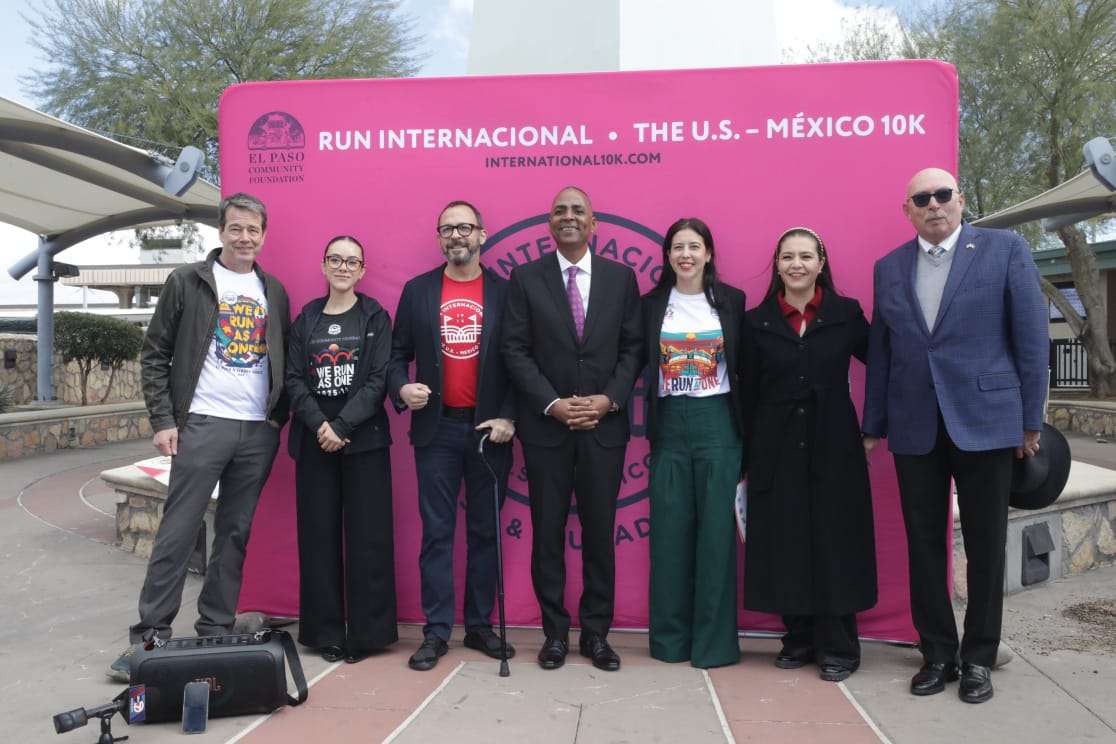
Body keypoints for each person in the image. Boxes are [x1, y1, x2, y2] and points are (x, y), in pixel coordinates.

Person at [862, 168, 1047, 703]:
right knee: (923, 545)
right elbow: (881, 352)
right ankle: (938, 654)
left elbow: (1031, 338)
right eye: (921, 198)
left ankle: (979, 658)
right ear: (908, 210)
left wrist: (1030, 421)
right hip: (915, 424)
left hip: (987, 421)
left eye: (943, 195)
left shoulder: (1004, 250)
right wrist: (873, 424)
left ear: (960, 200)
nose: (933, 205)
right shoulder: (889, 267)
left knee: (986, 545)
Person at [111, 192, 290, 680]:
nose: (245, 237)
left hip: (257, 430)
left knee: (234, 533)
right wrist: (164, 420)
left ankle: (216, 627)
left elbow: (283, 356)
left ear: (263, 234)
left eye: (253, 229)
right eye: (236, 228)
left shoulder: (273, 290)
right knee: (179, 530)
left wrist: (276, 418)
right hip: (201, 423)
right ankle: (150, 637)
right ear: (221, 231)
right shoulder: (187, 281)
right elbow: (155, 352)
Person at [501, 186, 643, 671]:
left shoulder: (621, 279)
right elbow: (515, 349)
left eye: (577, 210)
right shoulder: (526, 278)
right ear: (549, 223)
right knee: (548, 533)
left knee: (601, 533)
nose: (568, 217)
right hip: (548, 430)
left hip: (605, 428)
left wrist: (609, 399)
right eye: (559, 210)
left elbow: (633, 348)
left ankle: (597, 635)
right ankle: (555, 635)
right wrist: (552, 404)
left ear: (593, 222)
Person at [742, 226, 877, 682]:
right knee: (786, 539)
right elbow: (747, 391)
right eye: (787, 257)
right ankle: (798, 638)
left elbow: (884, 365)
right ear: (777, 266)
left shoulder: (845, 313)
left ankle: (839, 645)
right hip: (775, 445)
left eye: (805, 256)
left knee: (835, 541)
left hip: (835, 443)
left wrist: (874, 427)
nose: (796, 264)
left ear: (821, 264)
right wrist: (746, 455)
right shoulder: (756, 322)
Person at [388, 200, 517, 671]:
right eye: (447, 228)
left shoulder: (506, 291)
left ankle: (479, 626)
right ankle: (437, 631)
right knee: (437, 533)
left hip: (489, 430)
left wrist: (509, 416)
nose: (456, 235)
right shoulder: (418, 291)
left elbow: (522, 358)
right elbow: (396, 355)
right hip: (436, 428)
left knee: (485, 532)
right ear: (439, 238)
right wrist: (401, 388)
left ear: (482, 234)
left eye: (464, 227)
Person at [641, 217, 747, 669]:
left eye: (694, 246)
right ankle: (669, 641)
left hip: (718, 424)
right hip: (669, 425)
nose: (686, 255)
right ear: (667, 255)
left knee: (717, 539)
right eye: (678, 247)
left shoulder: (732, 302)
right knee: (669, 537)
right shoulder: (650, 305)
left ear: (708, 253)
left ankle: (713, 646)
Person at [285, 235, 396, 664]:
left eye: (352, 261)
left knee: (369, 539)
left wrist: (343, 426)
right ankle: (325, 633)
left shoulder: (375, 317)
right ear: (324, 265)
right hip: (315, 443)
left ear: (362, 270)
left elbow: (379, 378)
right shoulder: (307, 318)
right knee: (318, 539)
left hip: (364, 442)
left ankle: (367, 634)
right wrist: (321, 425)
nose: (343, 267)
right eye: (335, 259)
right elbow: (294, 379)